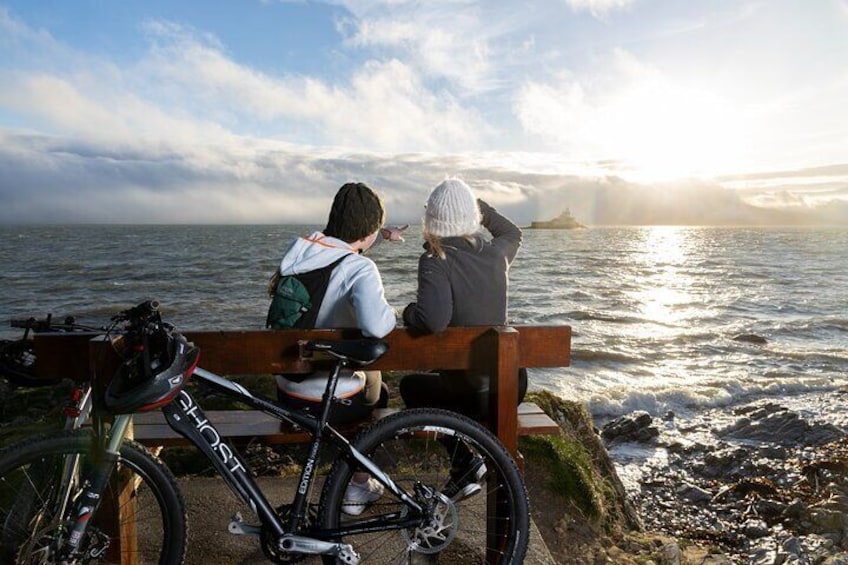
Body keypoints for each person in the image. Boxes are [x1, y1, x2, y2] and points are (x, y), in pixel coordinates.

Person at [268, 182, 399, 515]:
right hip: (324, 401)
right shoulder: (359, 266)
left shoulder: (297, 251)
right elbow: (379, 327)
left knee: (368, 380)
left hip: (286, 390)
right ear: (371, 230)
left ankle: (356, 476)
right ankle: (357, 486)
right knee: (377, 387)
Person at [399, 177, 528, 501]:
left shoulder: (435, 259)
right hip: (512, 385)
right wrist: (478, 208)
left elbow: (432, 319)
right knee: (444, 383)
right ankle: (468, 466)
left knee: (409, 387)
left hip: (470, 395)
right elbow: (513, 231)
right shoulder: (497, 253)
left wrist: (408, 312)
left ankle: (463, 462)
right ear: (472, 217)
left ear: (432, 221)